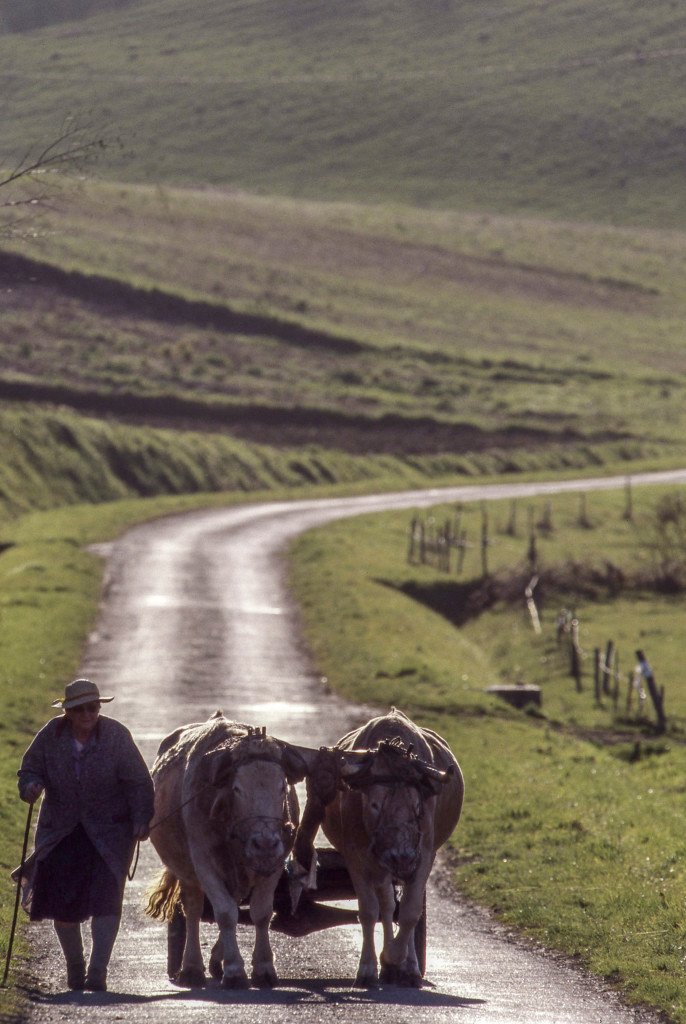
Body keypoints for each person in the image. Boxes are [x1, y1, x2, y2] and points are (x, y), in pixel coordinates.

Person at [14, 677, 155, 992]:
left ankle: (97, 972)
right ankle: (75, 967)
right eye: (80, 709)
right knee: (63, 904)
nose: (88, 714)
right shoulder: (51, 735)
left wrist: (142, 817)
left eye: (93, 707)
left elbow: (139, 782)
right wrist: (30, 787)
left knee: (106, 900)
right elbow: (29, 768)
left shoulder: (117, 736)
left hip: (110, 832)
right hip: (61, 830)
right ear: (68, 712)